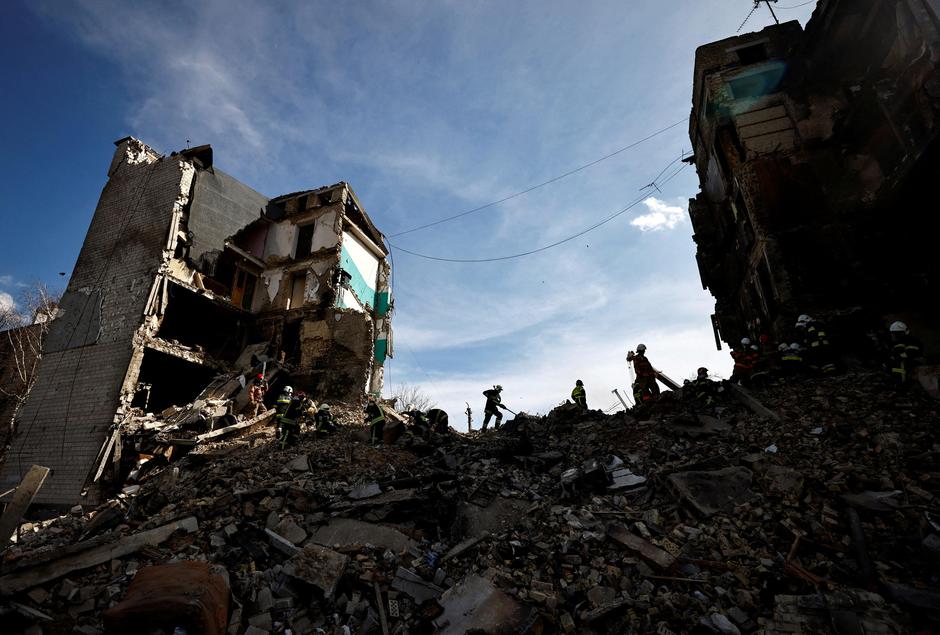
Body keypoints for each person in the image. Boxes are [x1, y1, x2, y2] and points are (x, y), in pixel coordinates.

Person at [888, 321, 924, 385]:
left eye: (897, 333)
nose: (894, 335)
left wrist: (899, 357)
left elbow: (911, 353)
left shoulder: (912, 340)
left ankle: (901, 383)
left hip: (915, 360)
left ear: (904, 332)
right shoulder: (898, 342)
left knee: (900, 362)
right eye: (893, 333)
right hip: (907, 360)